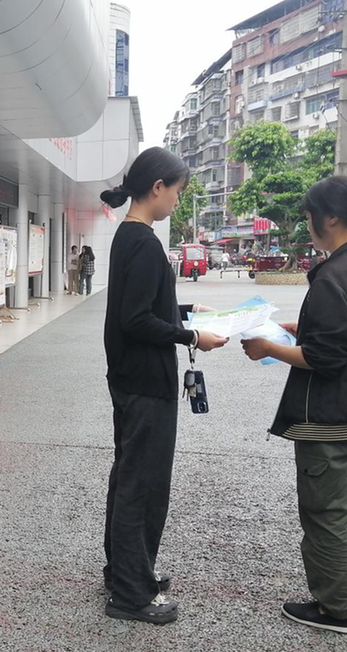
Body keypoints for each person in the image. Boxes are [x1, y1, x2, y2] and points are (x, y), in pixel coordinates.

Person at [242, 176, 347, 635]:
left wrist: (268, 348)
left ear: (330, 218)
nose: (308, 223)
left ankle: (334, 608)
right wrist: (303, 329)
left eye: (310, 215)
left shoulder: (334, 276)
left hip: (336, 419)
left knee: (327, 512)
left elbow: (324, 358)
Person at [100, 147, 228, 625]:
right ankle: (132, 593)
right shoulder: (145, 243)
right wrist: (191, 336)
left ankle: (124, 571)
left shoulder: (129, 236)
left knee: (128, 475)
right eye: (177, 191)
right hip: (146, 382)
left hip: (129, 376)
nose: (177, 200)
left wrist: (187, 313)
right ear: (157, 187)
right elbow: (135, 319)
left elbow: (142, 307)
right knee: (143, 484)